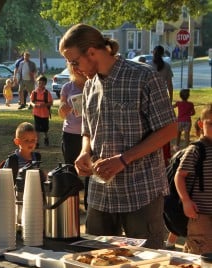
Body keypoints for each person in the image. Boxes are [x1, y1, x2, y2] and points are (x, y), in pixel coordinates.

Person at [61, 23, 177, 250]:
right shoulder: (88, 86)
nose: (73, 69)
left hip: (141, 191)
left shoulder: (144, 77)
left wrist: (124, 159)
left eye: (74, 61)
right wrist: (85, 152)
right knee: (96, 264)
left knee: (145, 265)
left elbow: (169, 130)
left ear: (92, 52)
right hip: (100, 194)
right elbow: (88, 130)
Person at [175, 104, 212, 254]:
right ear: (201, 124)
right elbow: (180, 175)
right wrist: (186, 201)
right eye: (211, 124)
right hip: (199, 214)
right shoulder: (196, 149)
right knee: (199, 251)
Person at [58, 64, 85, 164]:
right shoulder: (67, 87)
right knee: (70, 167)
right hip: (70, 134)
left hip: (90, 134)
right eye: (73, 66)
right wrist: (64, 108)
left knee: (91, 171)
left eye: (78, 65)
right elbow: (61, 114)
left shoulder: (93, 85)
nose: (77, 69)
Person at [29, 75, 53, 147]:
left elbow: (50, 103)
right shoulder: (34, 92)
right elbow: (31, 101)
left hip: (45, 114)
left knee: (45, 129)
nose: (40, 85)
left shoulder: (47, 93)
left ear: (45, 84)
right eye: (39, 83)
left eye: (42, 83)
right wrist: (34, 105)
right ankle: (37, 143)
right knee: (37, 129)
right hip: (36, 113)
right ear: (37, 83)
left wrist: (43, 105)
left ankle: (46, 137)